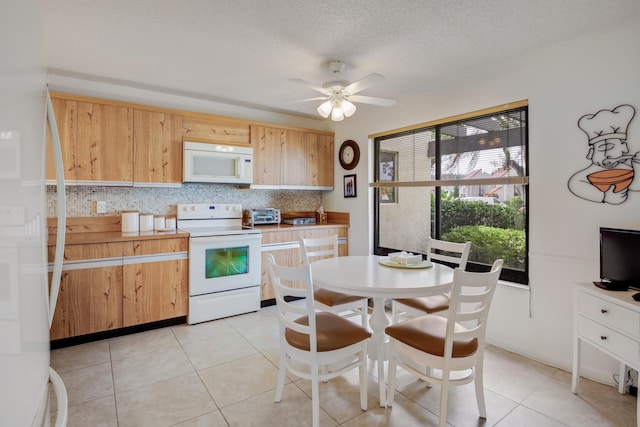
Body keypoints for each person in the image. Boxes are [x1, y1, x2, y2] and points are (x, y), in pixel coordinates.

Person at [568, 104, 639, 204]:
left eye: (611, 147)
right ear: (591, 153)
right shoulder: (590, 173)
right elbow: (575, 184)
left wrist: (638, 164)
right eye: (601, 150)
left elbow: (636, 187)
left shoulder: (628, 168)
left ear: (625, 147)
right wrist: (604, 197)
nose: (607, 155)